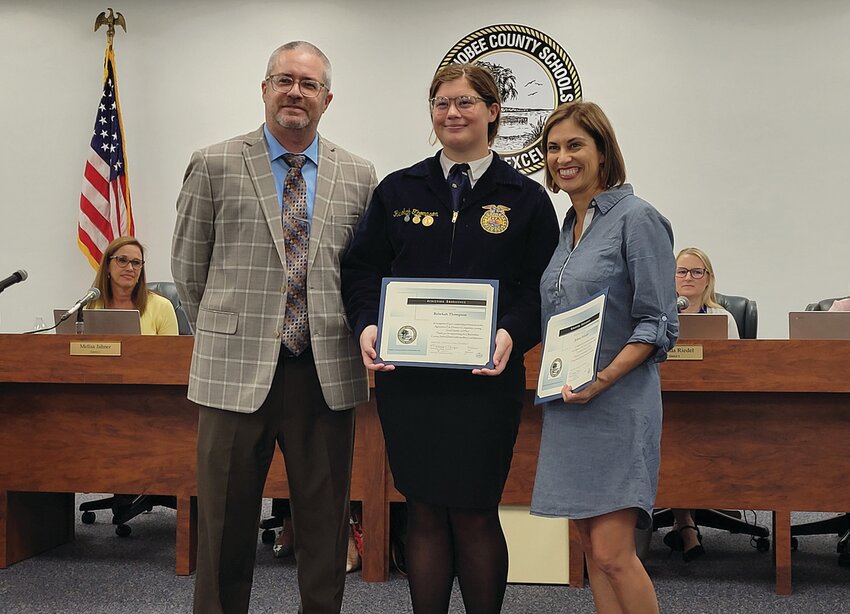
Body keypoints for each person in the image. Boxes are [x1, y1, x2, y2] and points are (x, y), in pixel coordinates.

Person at [342, 63, 558, 613]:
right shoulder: (398, 189)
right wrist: (368, 324)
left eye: (464, 102)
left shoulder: (527, 199)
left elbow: (543, 289)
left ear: (493, 112)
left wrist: (513, 332)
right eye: (441, 103)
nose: (452, 113)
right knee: (423, 509)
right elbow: (362, 270)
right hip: (410, 384)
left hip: (485, 384)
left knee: (475, 510)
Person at [171, 41, 377, 614]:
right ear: (264, 89)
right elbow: (189, 269)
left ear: (327, 98)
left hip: (325, 372)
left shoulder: (359, 176)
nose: (295, 92)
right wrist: (235, 327)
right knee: (223, 525)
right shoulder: (212, 163)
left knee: (325, 525)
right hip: (234, 373)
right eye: (284, 80)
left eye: (309, 84)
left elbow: (362, 272)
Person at [531, 101, 677, 613]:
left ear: (602, 151)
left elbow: (658, 324)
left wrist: (602, 380)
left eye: (575, 145)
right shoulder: (567, 228)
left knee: (615, 553)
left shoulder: (638, 219)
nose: (562, 157)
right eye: (553, 148)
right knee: (593, 553)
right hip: (569, 404)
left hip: (617, 403)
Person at [89, 235, 178, 335]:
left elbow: (172, 350)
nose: (130, 268)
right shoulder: (92, 306)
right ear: (107, 266)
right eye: (122, 260)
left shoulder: (162, 307)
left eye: (136, 263)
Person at [675, 247, 739, 340]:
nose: (688, 278)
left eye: (697, 272)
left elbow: (735, 353)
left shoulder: (723, 318)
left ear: (708, 279)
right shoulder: (660, 317)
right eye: (682, 272)